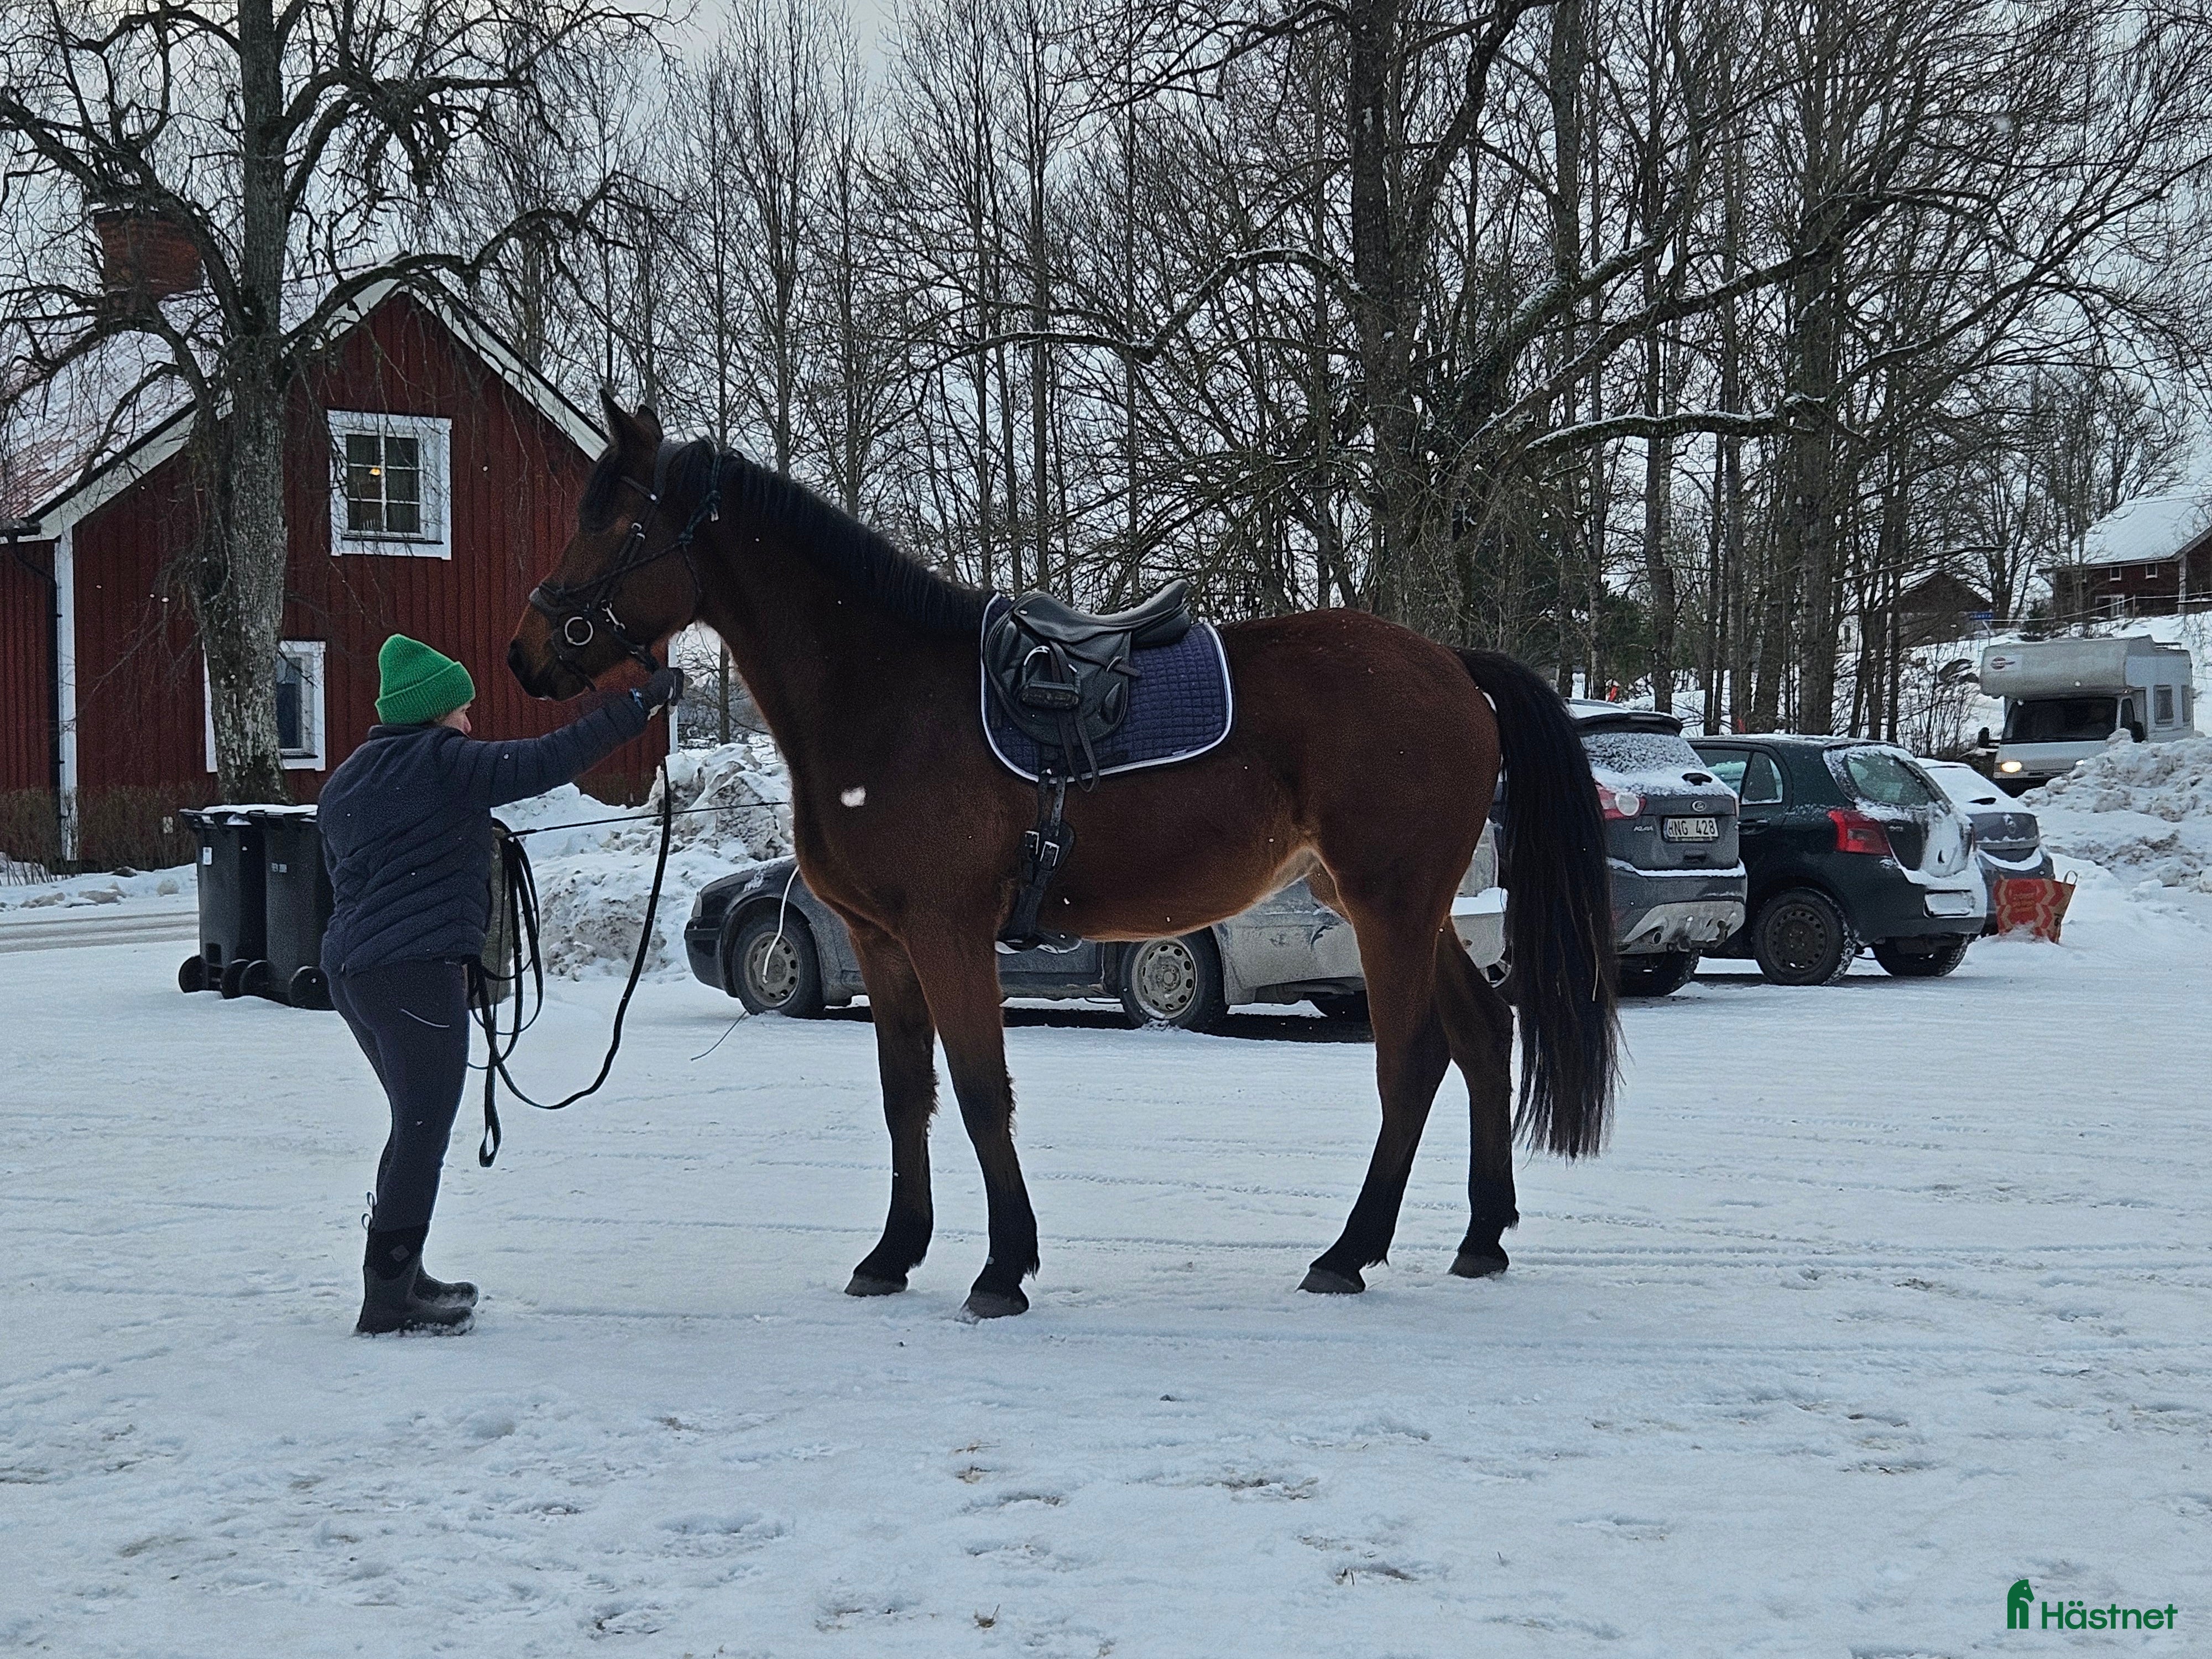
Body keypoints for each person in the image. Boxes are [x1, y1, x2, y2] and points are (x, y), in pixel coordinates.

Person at [319, 634, 682, 1334]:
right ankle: (389, 1301)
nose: (470, 723)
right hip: (415, 976)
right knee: (423, 1131)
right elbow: (547, 760)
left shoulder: (352, 777)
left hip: (357, 977)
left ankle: (399, 1273)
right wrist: (638, 704)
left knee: (411, 1125)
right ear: (433, 713)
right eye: (460, 710)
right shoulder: (440, 763)